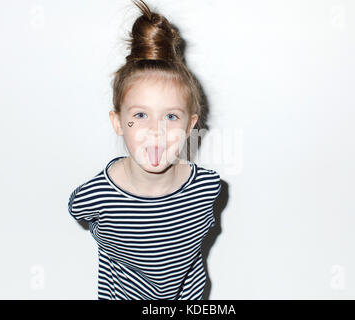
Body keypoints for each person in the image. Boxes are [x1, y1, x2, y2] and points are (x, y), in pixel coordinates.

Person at [68, 0, 221, 300]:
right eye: (140, 115)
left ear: (190, 125)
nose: (156, 130)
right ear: (118, 122)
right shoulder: (97, 195)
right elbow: (77, 209)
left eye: (171, 116)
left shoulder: (207, 187)